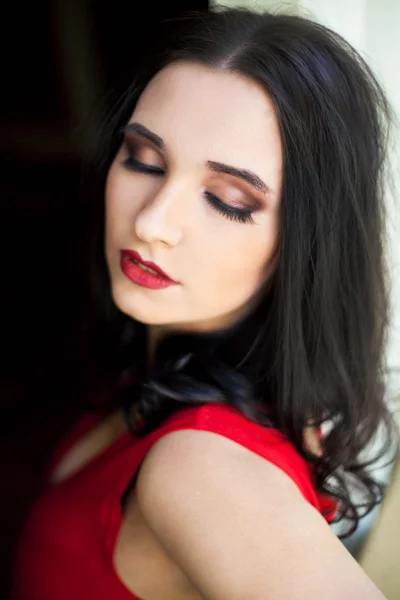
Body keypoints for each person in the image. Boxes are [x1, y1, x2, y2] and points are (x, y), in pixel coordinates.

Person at [12, 5, 397, 599]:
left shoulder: (203, 467)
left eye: (226, 200)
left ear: (307, 242)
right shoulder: (160, 376)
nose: (152, 222)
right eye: (143, 159)